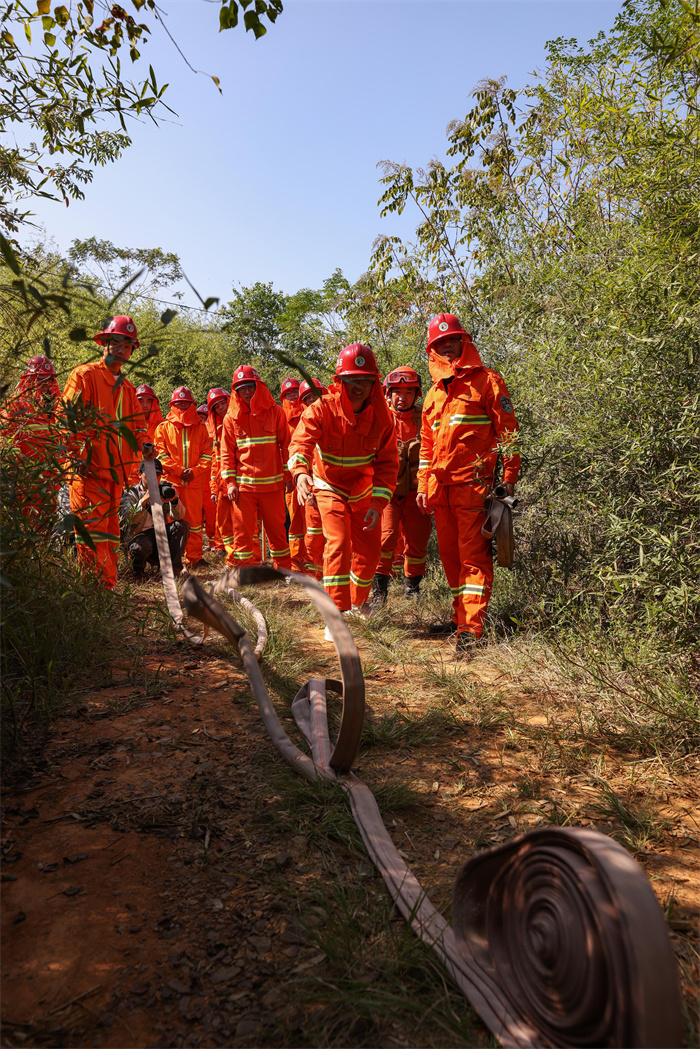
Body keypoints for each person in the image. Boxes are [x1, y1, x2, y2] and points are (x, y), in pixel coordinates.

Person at [416, 314, 520, 656]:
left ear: (464, 342)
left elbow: (509, 435)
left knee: (473, 559)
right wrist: (422, 485)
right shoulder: (432, 394)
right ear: (432, 349)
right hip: (440, 489)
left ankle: (471, 630)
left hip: (475, 489)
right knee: (450, 559)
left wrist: (508, 480)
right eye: (439, 343)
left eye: (452, 340)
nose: (447, 346)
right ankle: (460, 618)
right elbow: (427, 446)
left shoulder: (488, 381)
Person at [289, 345, 398, 626]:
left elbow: (387, 466)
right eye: (352, 380)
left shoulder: (383, 419)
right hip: (328, 486)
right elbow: (301, 442)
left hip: (363, 493)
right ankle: (336, 613)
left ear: (374, 382)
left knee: (370, 552)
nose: (358, 386)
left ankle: (357, 600)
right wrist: (301, 473)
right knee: (338, 542)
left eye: (365, 380)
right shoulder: (322, 409)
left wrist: (377, 503)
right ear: (340, 382)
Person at [60, 316, 156, 588]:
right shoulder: (85, 375)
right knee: (92, 533)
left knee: (110, 534)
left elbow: (138, 427)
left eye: (128, 346)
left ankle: (106, 588)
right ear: (104, 343)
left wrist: (146, 444)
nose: (123, 350)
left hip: (115, 476)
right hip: (88, 471)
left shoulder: (126, 387)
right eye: (117, 343)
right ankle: (95, 591)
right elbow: (66, 417)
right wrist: (77, 451)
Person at [220, 366, 292, 570]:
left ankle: (283, 570)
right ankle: (245, 570)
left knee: (277, 531)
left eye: (250, 386)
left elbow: (286, 446)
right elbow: (226, 453)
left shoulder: (275, 411)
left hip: (273, 486)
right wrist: (230, 483)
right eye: (242, 389)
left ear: (259, 387)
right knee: (242, 533)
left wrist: (288, 476)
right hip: (243, 489)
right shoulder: (230, 418)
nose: (247, 392)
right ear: (236, 392)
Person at [373, 367, 431, 605]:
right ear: (389, 393)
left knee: (417, 543)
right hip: (387, 494)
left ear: (416, 395)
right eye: (397, 392)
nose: (402, 397)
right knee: (384, 541)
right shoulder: (379, 417)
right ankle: (379, 594)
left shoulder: (424, 417)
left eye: (408, 392)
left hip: (416, 494)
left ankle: (412, 591)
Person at [154, 386, 213, 568]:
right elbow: (160, 455)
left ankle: (194, 557)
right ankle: (174, 558)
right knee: (172, 520)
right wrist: (179, 471)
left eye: (186, 403)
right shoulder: (163, 428)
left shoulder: (202, 427)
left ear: (192, 405)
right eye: (179, 403)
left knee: (194, 522)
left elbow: (207, 454)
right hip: (172, 483)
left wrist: (194, 471)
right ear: (172, 404)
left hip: (194, 483)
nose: (182, 407)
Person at [1, 355, 62, 527]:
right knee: (26, 522)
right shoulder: (15, 406)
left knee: (48, 522)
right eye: (41, 378)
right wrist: (20, 468)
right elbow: (5, 441)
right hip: (26, 480)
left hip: (50, 481)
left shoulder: (56, 409)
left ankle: (46, 553)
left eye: (49, 379)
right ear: (29, 378)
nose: (46, 383)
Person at [120, 458, 189, 578]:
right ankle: (138, 573)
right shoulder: (131, 493)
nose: (154, 479)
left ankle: (174, 571)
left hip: (160, 536)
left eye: (157, 475)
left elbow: (179, 516)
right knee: (139, 547)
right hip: (140, 537)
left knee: (182, 525)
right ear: (140, 474)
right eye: (150, 474)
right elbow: (127, 518)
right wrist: (144, 499)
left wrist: (174, 501)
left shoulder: (164, 490)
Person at [297, 378, 328, 579]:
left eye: (314, 395)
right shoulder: (304, 424)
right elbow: (300, 453)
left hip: (334, 488)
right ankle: (314, 575)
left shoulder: (337, 418)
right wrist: (306, 485)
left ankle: (335, 574)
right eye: (307, 398)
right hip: (312, 488)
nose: (311, 400)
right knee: (314, 534)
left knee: (337, 536)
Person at [280, 376, 307, 572]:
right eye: (287, 393)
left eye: (295, 392)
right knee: (295, 522)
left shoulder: (310, 411)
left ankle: (314, 561)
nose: (291, 396)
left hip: (311, 476)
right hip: (291, 479)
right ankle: (296, 563)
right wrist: (287, 478)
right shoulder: (279, 417)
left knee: (313, 521)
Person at [206, 386, 235, 565]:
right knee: (224, 524)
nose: (221, 408)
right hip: (222, 483)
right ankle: (232, 556)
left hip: (238, 481)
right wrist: (214, 487)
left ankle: (248, 558)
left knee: (243, 522)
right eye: (216, 406)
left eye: (223, 403)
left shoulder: (240, 422)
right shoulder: (216, 431)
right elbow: (215, 462)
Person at [129, 384, 163, 484]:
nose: (144, 405)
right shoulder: (127, 424)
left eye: (149, 401)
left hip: (153, 479)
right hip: (129, 478)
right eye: (140, 401)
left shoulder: (163, 425)